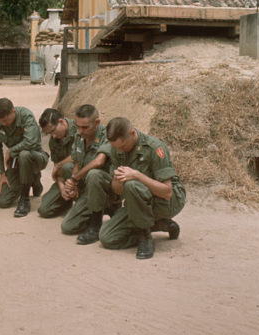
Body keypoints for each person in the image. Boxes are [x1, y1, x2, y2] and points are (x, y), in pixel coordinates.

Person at [99, 117, 186, 260]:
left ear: (133, 133)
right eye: (116, 148)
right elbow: (118, 191)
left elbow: (167, 192)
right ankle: (159, 224)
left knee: (132, 184)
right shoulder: (117, 148)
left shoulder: (154, 148)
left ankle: (145, 237)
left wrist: (138, 176)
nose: (119, 150)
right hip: (138, 203)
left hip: (168, 201)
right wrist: (116, 180)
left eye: (123, 146)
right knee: (107, 237)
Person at [59, 104, 115, 245]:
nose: (80, 131)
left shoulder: (107, 134)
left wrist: (74, 178)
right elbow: (77, 162)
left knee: (94, 174)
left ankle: (96, 225)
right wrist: (73, 185)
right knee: (67, 227)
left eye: (85, 127)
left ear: (97, 123)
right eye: (78, 126)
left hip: (108, 188)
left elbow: (99, 161)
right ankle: (94, 208)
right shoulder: (79, 136)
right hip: (90, 188)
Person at [0, 98, 49, 217]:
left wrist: (11, 151)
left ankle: (25, 199)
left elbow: (31, 142)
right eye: (1, 121)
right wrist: (2, 174)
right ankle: (32, 178)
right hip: (16, 161)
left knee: (24, 154)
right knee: (3, 201)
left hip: (35, 157)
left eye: (6, 120)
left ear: (13, 112)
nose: (4, 124)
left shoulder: (26, 115)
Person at [37, 108, 78, 218]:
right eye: (49, 133)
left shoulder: (80, 129)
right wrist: (61, 187)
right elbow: (57, 170)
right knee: (44, 210)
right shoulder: (54, 141)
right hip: (66, 179)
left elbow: (80, 156)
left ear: (61, 121)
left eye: (53, 131)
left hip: (82, 177)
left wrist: (60, 165)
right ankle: (67, 201)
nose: (53, 136)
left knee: (67, 167)